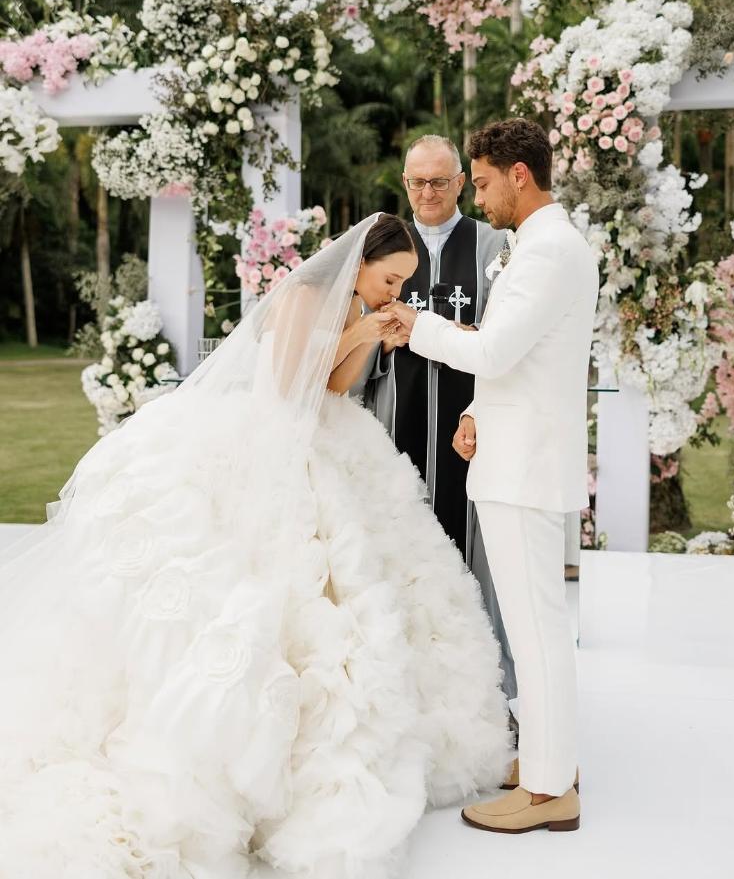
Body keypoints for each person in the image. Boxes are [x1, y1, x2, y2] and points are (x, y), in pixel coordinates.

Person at [0, 213, 512, 878]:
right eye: (390, 279)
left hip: (329, 434)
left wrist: (369, 333)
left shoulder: (357, 303)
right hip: (274, 444)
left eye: (400, 286)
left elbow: (334, 385)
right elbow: (289, 387)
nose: (392, 293)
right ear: (361, 259)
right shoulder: (303, 297)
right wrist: (361, 327)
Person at [391, 119, 598, 834]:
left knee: (538, 633)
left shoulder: (545, 253)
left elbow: (498, 348)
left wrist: (410, 324)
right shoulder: (537, 247)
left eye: (479, 183)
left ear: (519, 174)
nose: (477, 198)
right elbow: (524, 360)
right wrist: (479, 409)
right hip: (515, 455)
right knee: (535, 628)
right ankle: (545, 758)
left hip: (525, 470)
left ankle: (549, 791)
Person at [367, 135, 518, 703]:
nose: (427, 192)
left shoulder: (493, 247)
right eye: (416, 182)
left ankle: (480, 693)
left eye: (440, 181)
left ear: (460, 183)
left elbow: (506, 338)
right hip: (394, 423)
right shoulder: (384, 244)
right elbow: (361, 329)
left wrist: (429, 332)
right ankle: (404, 690)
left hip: (469, 429)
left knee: (473, 560)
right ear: (404, 182)